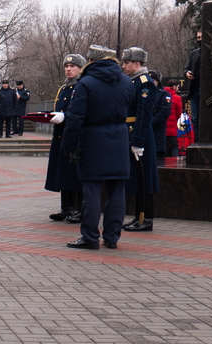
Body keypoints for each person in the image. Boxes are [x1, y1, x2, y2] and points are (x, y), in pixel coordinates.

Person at [62, 45, 134, 249]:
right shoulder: (127, 81)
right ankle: (112, 237)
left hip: (92, 139)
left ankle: (90, 237)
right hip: (119, 139)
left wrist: (69, 144)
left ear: (92, 61)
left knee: (92, 193)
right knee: (117, 192)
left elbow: (75, 117)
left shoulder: (86, 83)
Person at [121, 48, 159, 232]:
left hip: (140, 134)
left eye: (127, 63)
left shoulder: (145, 83)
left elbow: (144, 116)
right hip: (131, 132)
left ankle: (146, 218)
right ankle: (138, 217)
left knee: (145, 179)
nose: (124, 66)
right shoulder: (133, 81)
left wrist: (137, 140)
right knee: (137, 178)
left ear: (137, 64)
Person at [44, 54, 84, 222]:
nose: (68, 69)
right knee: (64, 172)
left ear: (80, 68)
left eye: (73, 66)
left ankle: (79, 209)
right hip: (62, 135)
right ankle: (66, 208)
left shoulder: (82, 86)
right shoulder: (64, 88)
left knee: (76, 174)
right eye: (66, 66)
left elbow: (81, 112)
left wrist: (65, 116)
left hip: (76, 135)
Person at [162, 78, 183, 157]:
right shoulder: (177, 98)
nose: (178, 89)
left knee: (163, 146)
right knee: (174, 146)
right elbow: (178, 113)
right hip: (172, 127)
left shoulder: (162, 94)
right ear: (174, 87)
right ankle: (174, 164)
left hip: (162, 126)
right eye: (178, 87)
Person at [185, 35, 201, 140]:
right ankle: (198, 141)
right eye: (198, 38)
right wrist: (187, 73)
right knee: (195, 119)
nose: (199, 40)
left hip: (209, 91)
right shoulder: (194, 54)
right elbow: (186, 68)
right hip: (195, 90)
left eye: (201, 37)